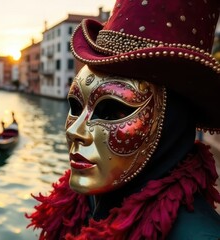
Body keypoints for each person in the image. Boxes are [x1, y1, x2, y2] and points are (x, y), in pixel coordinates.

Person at [27, 0, 220, 239]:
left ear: (170, 123)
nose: (74, 131)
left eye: (112, 111)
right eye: (75, 106)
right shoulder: (81, 206)